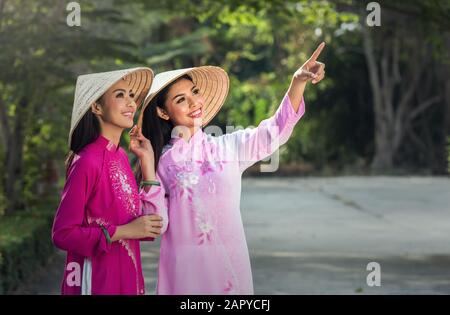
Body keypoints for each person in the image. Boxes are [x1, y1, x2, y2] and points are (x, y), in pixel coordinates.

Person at [138, 42, 326, 294]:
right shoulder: (163, 161)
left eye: (195, 92)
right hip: (186, 276)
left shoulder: (229, 147)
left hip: (231, 272)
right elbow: (157, 224)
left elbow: (274, 131)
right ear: (162, 112)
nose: (194, 102)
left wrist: (297, 82)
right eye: (181, 100)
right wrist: (148, 166)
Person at [52, 67, 165, 295]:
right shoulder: (87, 161)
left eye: (131, 95)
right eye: (120, 95)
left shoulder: (121, 156)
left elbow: (144, 226)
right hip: (97, 280)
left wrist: (148, 164)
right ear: (96, 107)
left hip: (128, 275)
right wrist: (123, 231)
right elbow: (62, 234)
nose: (131, 103)